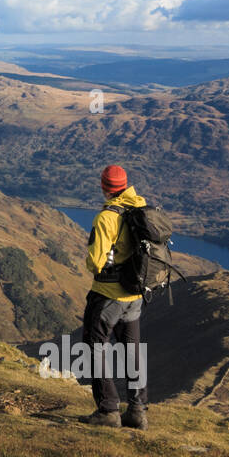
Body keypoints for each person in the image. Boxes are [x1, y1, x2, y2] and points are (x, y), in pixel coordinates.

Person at [80, 165, 148, 429]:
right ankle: (137, 411)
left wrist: (93, 260)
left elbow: (95, 262)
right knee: (132, 350)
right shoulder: (140, 207)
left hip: (108, 295)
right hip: (136, 295)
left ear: (103, 186)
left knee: (95, 347)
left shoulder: (106, 217)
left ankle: (108, 410)